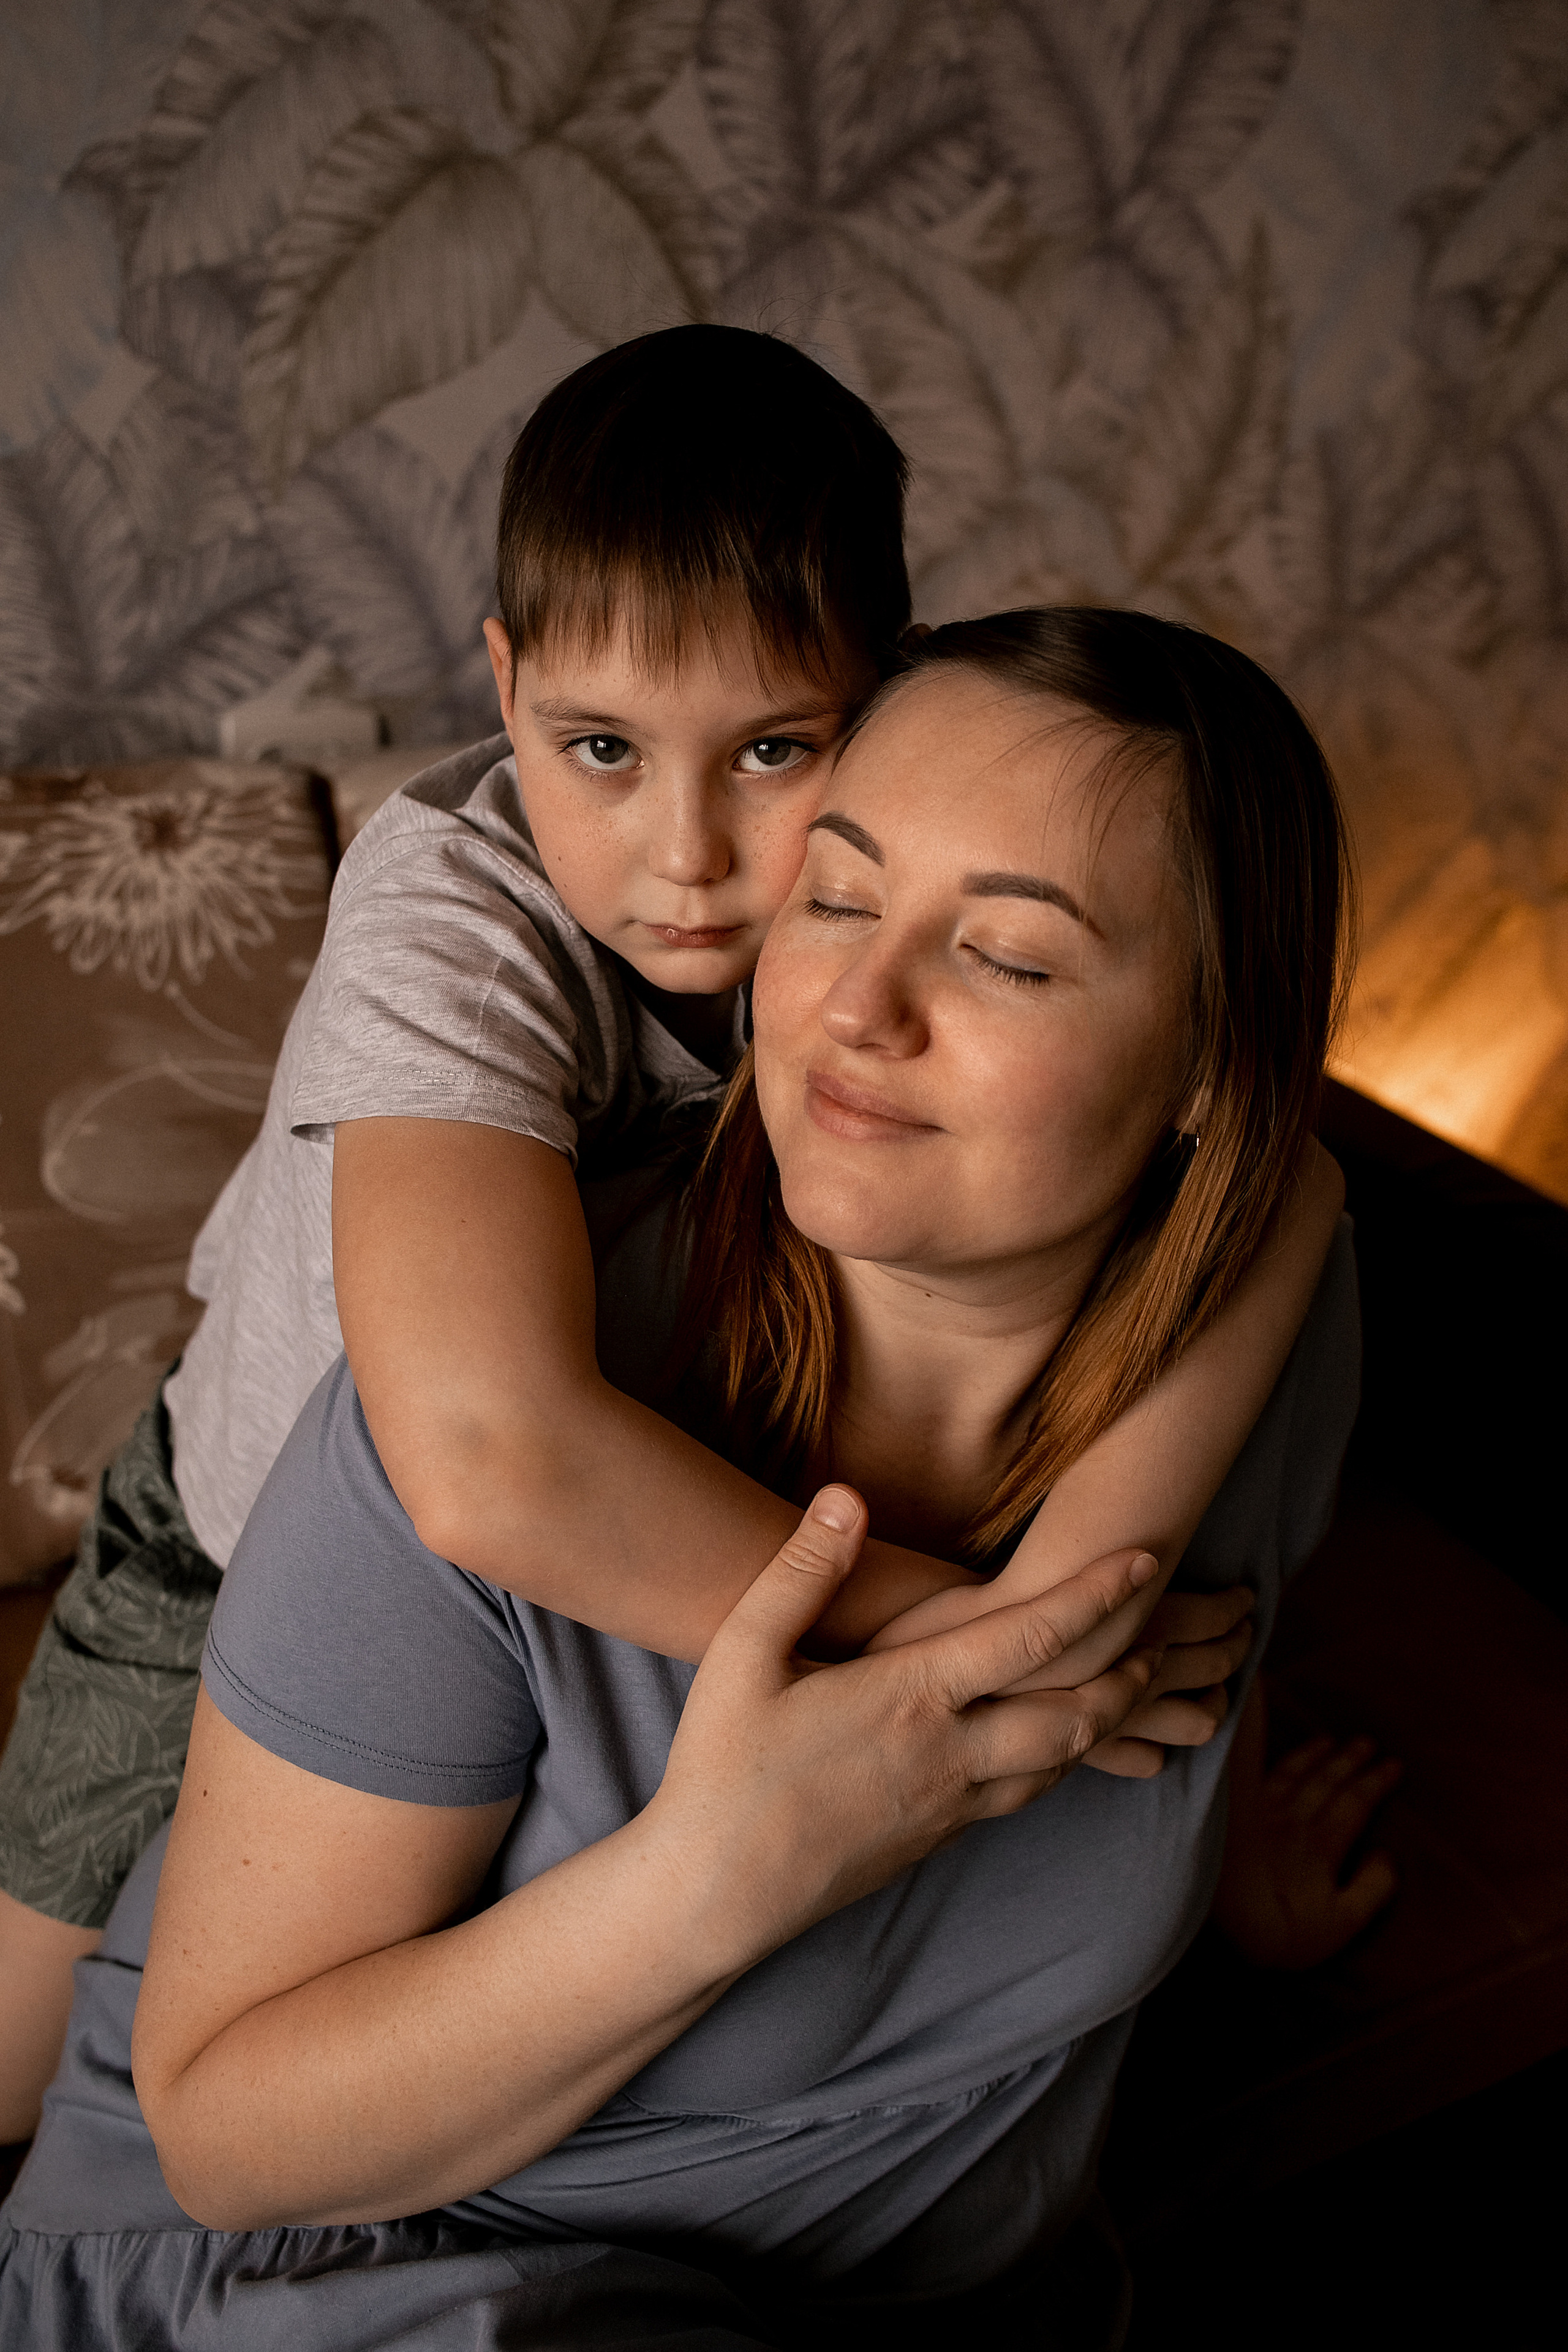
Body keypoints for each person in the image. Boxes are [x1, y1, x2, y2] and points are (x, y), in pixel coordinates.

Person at [0, 332, 1344, 2139]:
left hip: (528, 1605)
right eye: (603, 749)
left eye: (778, 749)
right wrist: (970, 1647)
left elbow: (1297, 1185)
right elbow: (482, 1457)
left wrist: (1100, 1655)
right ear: (505, 685)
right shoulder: (456, 914)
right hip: (242, 1533)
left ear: (882, 699)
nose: (689, 855)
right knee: (14, 2066)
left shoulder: (870, 902)